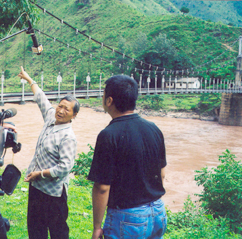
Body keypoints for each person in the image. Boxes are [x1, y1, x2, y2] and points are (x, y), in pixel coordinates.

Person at [88, 75, 167, 239]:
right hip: (158, 211)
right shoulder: (154, 129)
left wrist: (97, 227)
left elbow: (102, 188)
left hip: (128, 218)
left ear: (109, 101)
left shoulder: (108, 135)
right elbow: (162, 174)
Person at [17, 66, 80, 239]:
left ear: (74, 116)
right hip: (36, 187)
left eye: (67, 110)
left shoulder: (68, 137)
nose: (61, 111)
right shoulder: (51, 118)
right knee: (35, 229)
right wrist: (29, 80)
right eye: (60, 106)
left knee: (58, 232)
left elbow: (65, 168)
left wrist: (40, 173)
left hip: (53, 193)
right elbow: (41, 98)